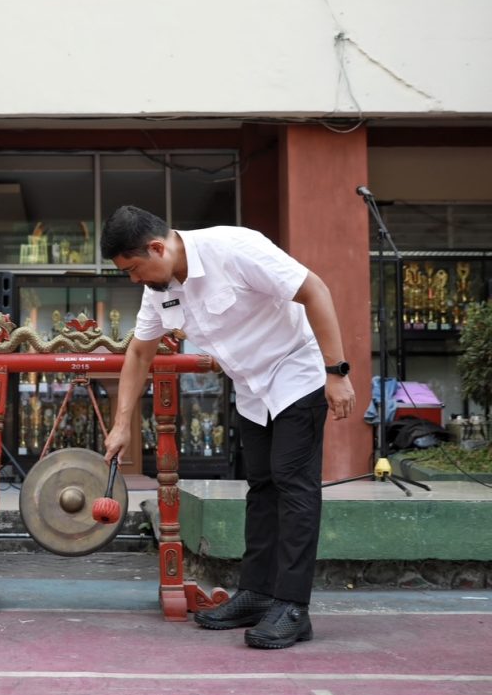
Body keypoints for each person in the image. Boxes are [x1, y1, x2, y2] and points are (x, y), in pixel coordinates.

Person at [100, 205, 355, 650]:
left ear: (158, 247)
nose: (134, 280)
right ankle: (257, 594)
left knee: (294, 487)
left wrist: (337, 372)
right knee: (261, 487)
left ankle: (293, 606)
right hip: (252, 388)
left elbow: (315, 290)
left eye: (134, 268)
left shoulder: (235, 248)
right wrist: (122, 425)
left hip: (297, 371)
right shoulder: (160, 290)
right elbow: (139, 354)